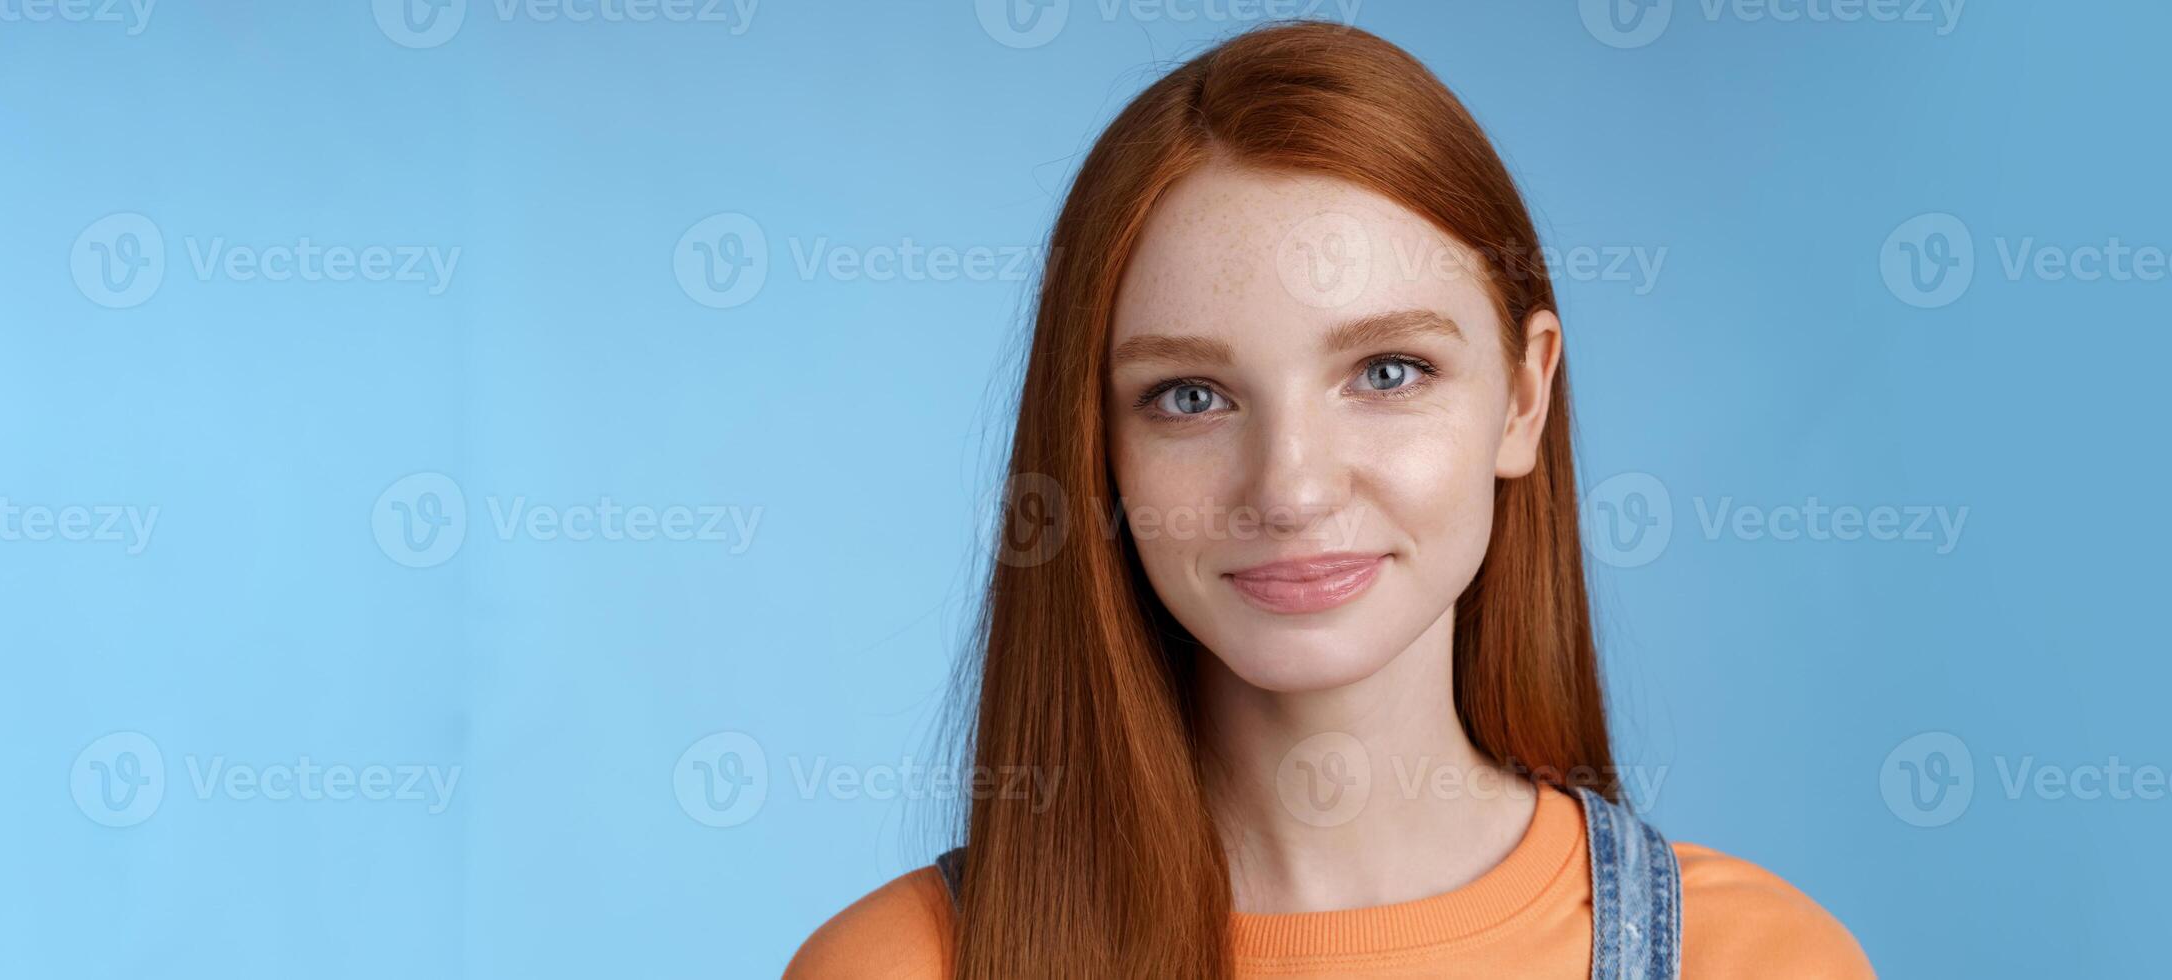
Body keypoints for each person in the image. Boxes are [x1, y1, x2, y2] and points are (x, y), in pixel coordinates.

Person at [788, 21, 1873, 980]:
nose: (1292, 487)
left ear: (1522, 398)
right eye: (1190, 395)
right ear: (1098, 446)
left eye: (1388, 371)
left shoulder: (1759, 961)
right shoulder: (894, 968)